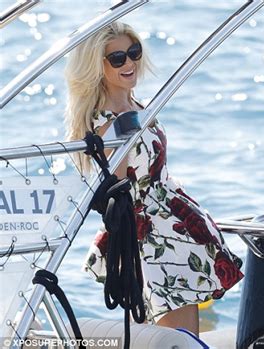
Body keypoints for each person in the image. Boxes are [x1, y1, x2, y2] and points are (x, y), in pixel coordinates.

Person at [64, 21, 243, 335]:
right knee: (178, 337)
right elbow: (118, 191)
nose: (130, 63)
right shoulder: (109, 124)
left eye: (133, 52)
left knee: (173, 334)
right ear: (97, 66)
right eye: (117, 58)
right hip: (154, 240)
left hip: (171, 229)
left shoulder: (134, 105)